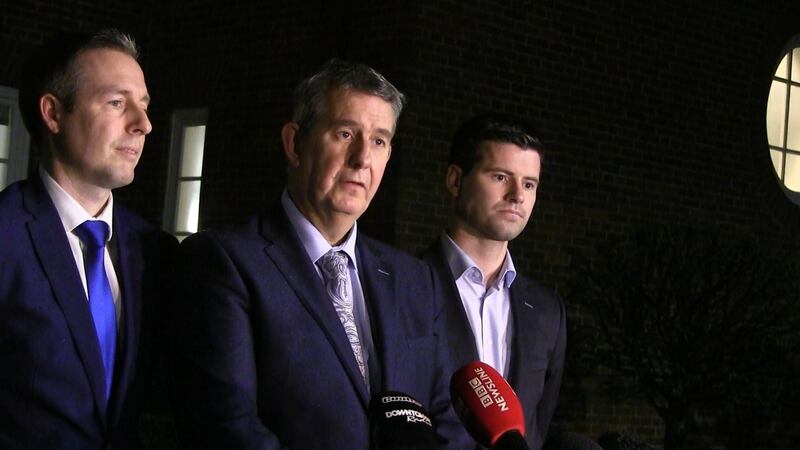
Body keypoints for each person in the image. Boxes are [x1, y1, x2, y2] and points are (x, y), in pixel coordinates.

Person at [172, 59, 470, 449]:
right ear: (295, 144)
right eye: (346, 134)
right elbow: (230, 427)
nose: (363, 158)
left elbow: (446, 420)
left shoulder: (414, 279)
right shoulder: (224, 262)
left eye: (379, 141)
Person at [0, 29, 176, 449]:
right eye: (117, 103)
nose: (144, 125)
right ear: (54, 114)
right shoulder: (6, 236)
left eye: (144, 106)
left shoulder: (157, 254)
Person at [420, 113, 567, 450]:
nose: (517, 195)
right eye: (501, 177)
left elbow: (538, 428)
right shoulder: (404, 287)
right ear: (456, 180)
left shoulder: (547, 312)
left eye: (529, 184)